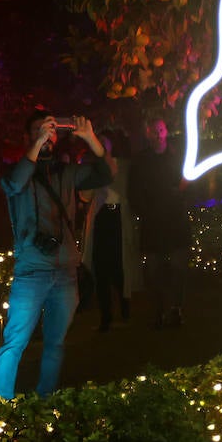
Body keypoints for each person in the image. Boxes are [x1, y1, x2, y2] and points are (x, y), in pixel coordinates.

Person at [0, 111, 112, 400]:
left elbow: (106, 174)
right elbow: (13, 185)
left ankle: (46, 400)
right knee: (14, 342)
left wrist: (91, 139)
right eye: (39, 130)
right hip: (31, 272)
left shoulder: (67, 173)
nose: (47, 136)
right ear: (28, 137)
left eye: (52, 131)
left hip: (66, 273)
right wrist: (37, 142)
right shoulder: (16, 170)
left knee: (55, 343)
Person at [129, 114, 192, 328]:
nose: (158, 134)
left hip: (176, 221)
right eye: (154, 130)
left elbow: (190, 186)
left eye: (161, 129)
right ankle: (158, 310)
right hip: (153, 222)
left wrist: (182, 192)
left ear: (166, 131)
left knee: (177, 267)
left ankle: (176, 309)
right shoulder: (140, 161)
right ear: (147, 133)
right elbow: (134, 192)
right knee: (153, 269)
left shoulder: (178, 156)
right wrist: (145, 210)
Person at [80, 131, 139, 332]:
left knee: (120, 267)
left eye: (103, 142)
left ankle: (124, 307)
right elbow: (85, 196)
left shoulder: (122, 165)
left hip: (118, 219)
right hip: (100, 220)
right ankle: (106, 315)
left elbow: (128, 190)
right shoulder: (91, 168)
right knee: (100, 268)